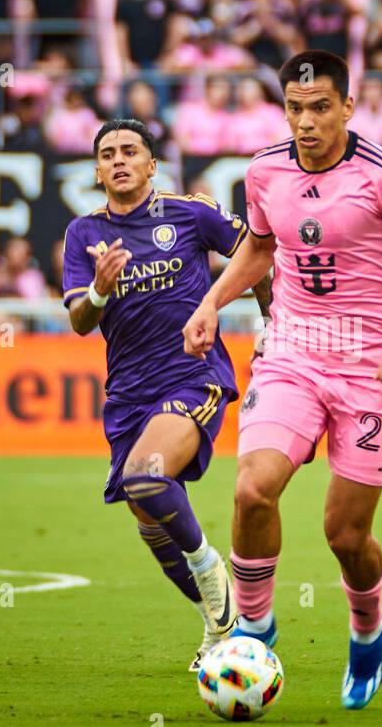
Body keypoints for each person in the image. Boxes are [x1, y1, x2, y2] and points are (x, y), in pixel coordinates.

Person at [182, 50, 382, 710]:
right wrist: (211, 302)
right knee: (253, 490)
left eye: (319, 108)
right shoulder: (263, 172)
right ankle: (253, 628)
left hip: (375, 368)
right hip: (291, 351)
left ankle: (367, 628)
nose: (306, 122)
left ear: (347, 105)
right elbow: (259, 248)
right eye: (294, 108)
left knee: (344, 536)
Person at [62, 119, 272, 672]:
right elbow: (81, 322)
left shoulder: (189, 212)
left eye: (130, 151)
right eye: (107, 154)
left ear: (152, 165)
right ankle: (216, 620)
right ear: (97, 170)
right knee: (145, 509)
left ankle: (212, 572)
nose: (119, 161)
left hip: (191, 377)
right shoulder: (83, 233)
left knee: (147, 476)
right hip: (127, 395)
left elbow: (259, 252)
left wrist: (274, 321)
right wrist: (99, 290)